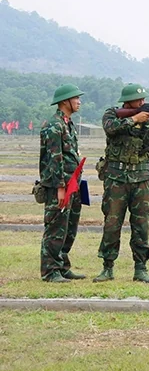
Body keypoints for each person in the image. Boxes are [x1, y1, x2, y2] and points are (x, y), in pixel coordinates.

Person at [93, 84, 149, 284]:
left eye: (143, 100)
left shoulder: (146, 118)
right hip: (116, 178)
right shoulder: (112, 114)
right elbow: (110, 129)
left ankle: (141, 268)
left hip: (141, 178)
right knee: (112, 223)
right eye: (138, 100)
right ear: (128, 101)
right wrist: (133, 119)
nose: (142, 103)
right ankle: (107, 267)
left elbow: (148, 143)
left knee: (141, 224)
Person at [38, 84, 86, 282]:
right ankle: (50, 271)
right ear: (65, 101)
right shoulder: (54, 125)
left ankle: (62, 265)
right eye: (76, 98)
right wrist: (60, 188)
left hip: (73, 183)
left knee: (69, 227)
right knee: (55, 228)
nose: (79, 102)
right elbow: (54, 159)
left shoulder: (68, 123)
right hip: (60, 186)